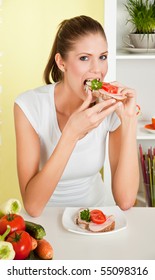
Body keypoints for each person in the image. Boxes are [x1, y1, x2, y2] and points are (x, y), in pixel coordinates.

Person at [14, 15, 139, 217]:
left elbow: (125, 201)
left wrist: (129, 120)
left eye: (103, 57)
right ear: (61, 63)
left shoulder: (111, 108)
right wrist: (71, 133)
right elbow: (33, 207)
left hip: (98, 216)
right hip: (48, 219)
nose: (97, 69)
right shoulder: (28, 106)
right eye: (84, 58)